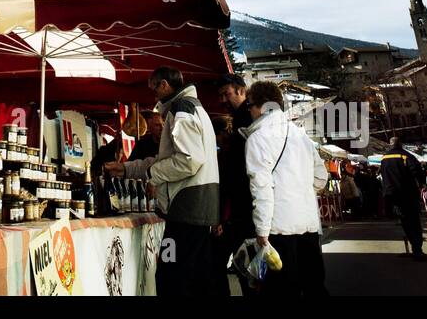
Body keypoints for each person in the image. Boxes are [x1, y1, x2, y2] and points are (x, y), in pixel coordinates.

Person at [104, 67, 221, 296]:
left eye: (154, 88)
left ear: (165, 84)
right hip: (196, 209)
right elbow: (167, 159)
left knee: (170, 275)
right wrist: (128, 169)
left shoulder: (182, 108)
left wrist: (152, 174)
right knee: (193, 277)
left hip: (186, 210)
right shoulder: (193, 108)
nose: (153, 95)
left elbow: (189, 160)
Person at [243, 81, 328, 297]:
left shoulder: (257, 139)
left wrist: (261, 231)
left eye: (249, 105)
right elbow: (321, 178)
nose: (249, 110)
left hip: (279, 229)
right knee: (314, 287)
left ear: (262, 106)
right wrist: (300, 192)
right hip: (308, 225)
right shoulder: (301, 136)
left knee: (282, 290)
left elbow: (261, 189)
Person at [215, 74, 255, 293]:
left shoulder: (247, 118)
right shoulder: (241, 118)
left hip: (245, 208)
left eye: (226, 94)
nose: (222, 100)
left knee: (248, 268)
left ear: (241, 90)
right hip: (241, 209)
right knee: (247, 268)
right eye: (220, 95)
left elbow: (241, 170)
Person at [381, 137, 427, 260]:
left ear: (390, 145)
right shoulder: (406, 156)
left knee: (405, 221)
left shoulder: (384, 158)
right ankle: (417, 250)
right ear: (400, 144)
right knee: (414, 221)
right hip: (408, 193)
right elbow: (416, 170)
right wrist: (422, 184)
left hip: (393, 195)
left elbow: (383, 176)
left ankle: (414, 248)